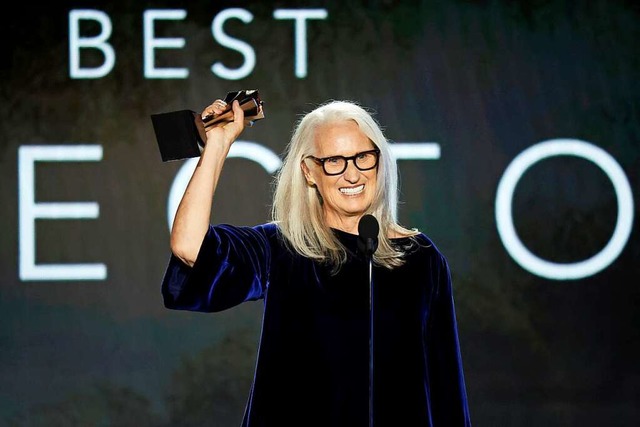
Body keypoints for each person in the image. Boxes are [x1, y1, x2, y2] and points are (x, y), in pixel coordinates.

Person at [162, 97, 472, 426]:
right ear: (309, 171)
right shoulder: (281, 247)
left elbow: (446, 386)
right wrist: (218, 145)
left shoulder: (421, 257)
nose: (352, 175)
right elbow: (189, 246)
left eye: (363, 157)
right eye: (334, 161)